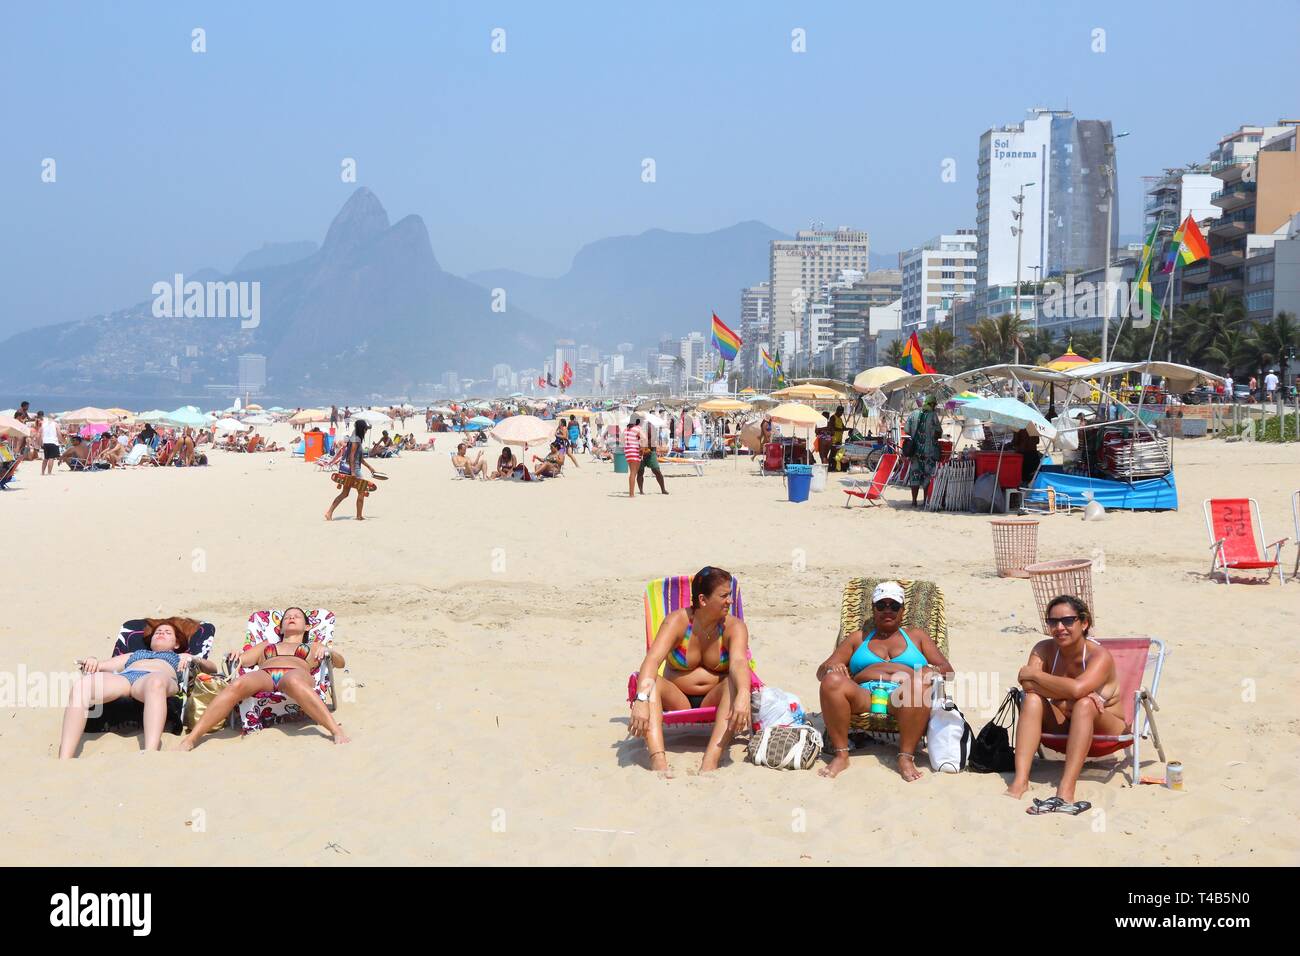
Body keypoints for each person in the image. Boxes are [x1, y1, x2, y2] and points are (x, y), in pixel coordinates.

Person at [815, 581, 953, 781]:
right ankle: (841, 754)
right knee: (832, 681)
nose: (887, 610)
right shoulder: (858, 638)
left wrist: (929, 671)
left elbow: (948, 670)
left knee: (919, 681)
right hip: (864, 695)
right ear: (873, 609)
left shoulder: (917, 637)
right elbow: (821, 672)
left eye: (894, 606)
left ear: (902, 610)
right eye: (881, 605)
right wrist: (831, 668)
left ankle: (906, 757)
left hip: (905, 696)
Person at [1007, 595, 1124, 816]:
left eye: (1068, 621)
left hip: (1107, 724)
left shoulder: (1099, 656)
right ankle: (1021, 780)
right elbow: (1028, 685)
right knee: (1031, 699)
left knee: (1084, 704)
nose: (1059, 627)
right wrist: (1064, 688)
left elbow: (1078, 691)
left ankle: (1066, 789)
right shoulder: (1043, 648)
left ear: (1084, 623)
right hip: (1066, 723)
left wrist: (1036, 676)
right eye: (1053, 622)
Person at [628, 566, 751, 773]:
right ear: (703, 600)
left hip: (715, 696)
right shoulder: (677, 622)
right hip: (677, 698)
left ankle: (710, 761)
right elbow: (652, 660)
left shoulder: (734, 627)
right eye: (724, 596)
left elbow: (739, 662)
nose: (730, 601)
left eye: (730, 595)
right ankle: (658, 761)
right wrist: (640, 700)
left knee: (734, 682)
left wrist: (744, 694)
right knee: (650, 682)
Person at [180, 607, 349, 748]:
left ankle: (336, 730)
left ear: (306, 627)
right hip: (266, 675)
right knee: (237, 684)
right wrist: (238, 654)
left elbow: (340, 663)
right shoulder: (267, 645)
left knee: (293, 680)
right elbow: (244, 660)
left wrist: (329, 652)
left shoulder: (313, 645)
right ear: (281, 628)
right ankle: (192, 738)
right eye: (287, 617)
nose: (291, 617)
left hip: (296, 673)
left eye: (297, 616)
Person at [59, 618, 219, 758]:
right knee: (83, 685)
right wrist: (93, 660)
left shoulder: (181, 656)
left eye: (168, 632)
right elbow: (102, 665)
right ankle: (65, 757)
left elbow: (212, 669)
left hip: (157, 678)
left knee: (155, 683)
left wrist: (195, 660)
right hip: (126, 679)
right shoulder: (134, 654)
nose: (161, 633)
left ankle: (150, 753)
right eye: (158, 632)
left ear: (177, 643)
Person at [326, 420, 379, 521]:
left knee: (345, 494)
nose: (366, 431)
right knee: (362, 491)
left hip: (352, 468)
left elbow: (360, 458)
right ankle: (359, 516)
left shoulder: (355, 436)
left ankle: (329, 513)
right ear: (361, 429)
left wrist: (369, 467)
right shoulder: (356, 439)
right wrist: (353, 472)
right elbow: (352, 456)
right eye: (365, 429)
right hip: (354, 469)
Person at [904, 395, 943, 507]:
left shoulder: (913, 414)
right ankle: (925, 500)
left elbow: (906, 430)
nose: (935, 407)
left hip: (914, 452)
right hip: (929, 453)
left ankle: (914, 501)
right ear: (931, 404)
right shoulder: (933, 415)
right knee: (928, 476)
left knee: (914, 476)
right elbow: (938, 432)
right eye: (934, 404)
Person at [636, 422, 668, 495]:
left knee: (656, 470)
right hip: (641, 453)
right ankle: (641, 490)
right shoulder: (639, 430)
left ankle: (663, 489)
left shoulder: (652, 431)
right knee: (640, 472)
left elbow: (653, 442)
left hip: (651, 453)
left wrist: (646, 445)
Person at [623, 417, 643, 498]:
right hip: (634, 450)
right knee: (633, 473)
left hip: (627, 451)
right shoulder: (637, 428)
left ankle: (631, 493)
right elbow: (643, 439)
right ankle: (631, 494)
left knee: (632, 472)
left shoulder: (626, 430)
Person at [40, 412, 60, 476]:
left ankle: (42, 472)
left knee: (46, 458)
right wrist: (62, 441)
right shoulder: (56, 424)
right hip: (53, 442)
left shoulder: (43, 424)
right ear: (53, 418)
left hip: (45, 442)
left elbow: (41, 434)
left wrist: (41, 442)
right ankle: (49, 472)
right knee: (51, 458)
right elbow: (59, 434)